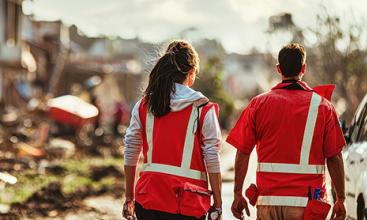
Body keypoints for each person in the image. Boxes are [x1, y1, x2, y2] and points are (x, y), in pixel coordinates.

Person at [227, 43, 346, 220]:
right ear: (303, 68)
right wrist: (341, 198)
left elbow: (243, 151)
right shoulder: (323, 107)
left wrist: (237, 193)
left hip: (268, 202)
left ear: (278, 69)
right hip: (306, 204)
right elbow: (334, 157)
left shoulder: (258, 104)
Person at [122, 40, 223, 220]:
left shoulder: (144, 105)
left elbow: (131, 149)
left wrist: (129, 196)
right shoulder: (203, 108)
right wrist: (218, 203)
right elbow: (212, 156)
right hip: (188, 203)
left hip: (149, 200)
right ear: (191, 73)